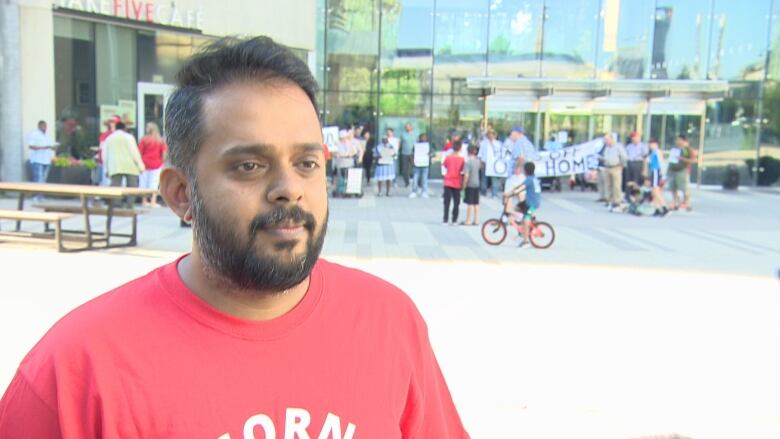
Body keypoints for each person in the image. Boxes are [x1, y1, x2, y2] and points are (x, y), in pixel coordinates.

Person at [0, 36, 468, 438]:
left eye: (307, 163)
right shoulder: (77, 369)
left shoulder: (389, 322)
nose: (289, 188)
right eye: (249, 166)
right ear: (181, 194)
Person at [103, 121, 145, 207]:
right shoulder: (129, 137)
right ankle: (130, 204)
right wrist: (140, 166)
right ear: (124, 128)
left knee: (115, 186)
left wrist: (106, 169)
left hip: (115, 165)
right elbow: (134, 153)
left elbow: (105, 155)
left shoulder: (109, 138)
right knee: (132, 186)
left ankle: (117, 204)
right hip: (130, 165)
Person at [504, 161, 541, 248]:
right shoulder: (533, 178)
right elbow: (520, 185)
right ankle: (525, 222)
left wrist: (510, 194)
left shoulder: (529, 179)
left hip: (532, 204)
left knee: (526, 220)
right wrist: (512, 190)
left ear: (525, 171)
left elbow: (521, 188)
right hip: (531, 201)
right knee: (517, 208)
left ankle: (526, 241)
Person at [137, 122, 168, 207]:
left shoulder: (144, 139)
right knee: (154, 183)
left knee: (143, 183)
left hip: (145, 164)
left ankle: (144, 201)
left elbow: (139, 152)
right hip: (156, 164)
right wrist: (162, 162)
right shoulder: (160, 140)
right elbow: (164, 153)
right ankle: (153, 202)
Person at [598, 133, 628, 212]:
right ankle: (610, 201)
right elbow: (606, 157)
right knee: (609, 185)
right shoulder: (607, 148)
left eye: (607, 139)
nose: (605, 141)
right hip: (607, 167)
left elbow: (624, 156)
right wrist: (602, 159)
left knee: (616, 186)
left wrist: (622, 165)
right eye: (605, 140)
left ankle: (617, 202)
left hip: (616, 167)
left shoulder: (618, 146)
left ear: (611, 139)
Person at [26, 120, 56, 194]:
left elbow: (50, 146)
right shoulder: (34, 134)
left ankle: (41, 196)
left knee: (43, 180)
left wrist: (53, 148)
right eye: (43, 126)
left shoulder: (47, 136)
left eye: (46, 126)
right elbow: (31, 146)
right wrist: (44, 147)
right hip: (37, 160)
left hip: (46, 160)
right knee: (38, 179)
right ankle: (36, 196)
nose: (45, 128)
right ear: (39, 126)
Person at [667, 134, 695, 211]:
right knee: (673, 188)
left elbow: (692, 160)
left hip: (681, 170)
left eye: (679, 140)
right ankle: (675, 202)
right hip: (672, 170)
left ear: (683, 140)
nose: (677, 141)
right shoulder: (675, 148)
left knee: (684, 188)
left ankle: (687, 203)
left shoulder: (686, 149)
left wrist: (682, 158)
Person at [478, 128, 508, 198]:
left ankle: (494, 193)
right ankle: (483, 192)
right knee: (483, 179)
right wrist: (481, 162)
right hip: (485, 162)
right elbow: (480, 153)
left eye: (492, 134)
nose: (491, 136)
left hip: (494, 164)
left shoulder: (498, 143)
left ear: (495, 135)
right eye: (489, 134)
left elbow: (501, 153)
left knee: (494, 179)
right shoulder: (483, 143)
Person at [442, 139, 465, 225]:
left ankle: (445, 219)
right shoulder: (462, 159)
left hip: (448, 181)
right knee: (456, 202)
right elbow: (462, 170)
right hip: (457, 181)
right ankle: (454, 219)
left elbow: (445, 166)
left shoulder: (448, 158)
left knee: (446, 202)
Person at [647, 139, 669, 216]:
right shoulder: (652, 152)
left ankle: (664, 206)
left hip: (656, 171)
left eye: (652, 144)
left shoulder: (657, 152)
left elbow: (661, 162)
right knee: (653, 191)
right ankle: (657, 207)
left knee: (656, 189)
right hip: (653, 171)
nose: (650, 145)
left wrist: (662, 172)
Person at [461, 144, 481, 225]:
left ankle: (468, 220)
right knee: (476, 203)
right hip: (477, 183)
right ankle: (476, 220)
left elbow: (466, 175)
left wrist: (464, 185)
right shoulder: (478, 161)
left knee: (470, 203)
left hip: (470, 184)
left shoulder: (468, 163)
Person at [409, 132, 431, 198]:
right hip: (417, 163)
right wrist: (412, 161)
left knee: (424, 179)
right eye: (422, 137)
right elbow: (412, 153)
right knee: (415, 178)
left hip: (425, 164)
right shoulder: (416, 145)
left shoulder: (428, 145)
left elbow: (433, 153)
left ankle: (424, 192)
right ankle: (414, 191)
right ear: (419, 138)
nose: (423, 138)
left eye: (425, 137)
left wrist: (430, 155)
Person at [398, 122, 415, 188]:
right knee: (404, 169)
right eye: (406, 127)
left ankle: (416, 182)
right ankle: (407, 182)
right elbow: (399, 143)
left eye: (408, 126)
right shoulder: (402, 134)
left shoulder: (415, 134)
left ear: (411, 127)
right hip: (404, 153)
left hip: (413, 154)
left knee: (415, 168)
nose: (407, 128)